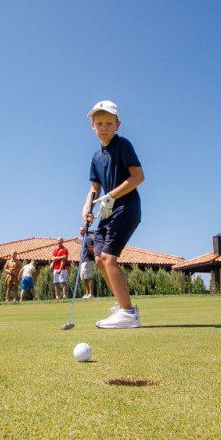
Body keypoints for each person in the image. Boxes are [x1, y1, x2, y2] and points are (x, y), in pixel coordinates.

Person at [83, 100, 145, 328]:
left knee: (109, 258)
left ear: (117, 125)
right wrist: (86, 209)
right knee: (99, 259)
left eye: (109, 123)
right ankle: (122, 305)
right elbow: (93, 189)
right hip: (107, 213)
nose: (104, 127)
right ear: (93, 126)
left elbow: (138, 176)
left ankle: (128, 314)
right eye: (99, 123)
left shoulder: (123, 145)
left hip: (126, 208)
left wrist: (113, 196)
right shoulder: (95, 157)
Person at [79, 226, 96, 299]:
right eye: (80, 231)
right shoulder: (84, 239)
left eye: (82, 230)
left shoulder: (88, 238)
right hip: (84, 260)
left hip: (88, 260)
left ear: (85, 231)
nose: (80, 232)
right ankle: (87, 293)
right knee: (85, 277)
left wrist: (95, 257)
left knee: (89, 277)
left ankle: (91, 294)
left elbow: (91, 249)